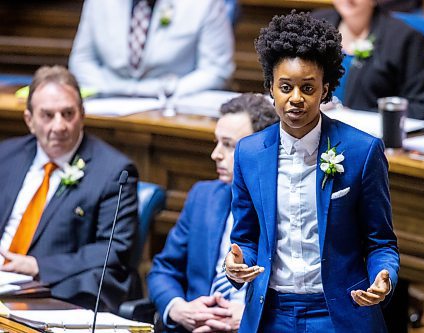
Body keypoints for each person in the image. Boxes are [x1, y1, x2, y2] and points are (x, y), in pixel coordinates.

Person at [224, 12, 400, 332]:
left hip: (339, 311)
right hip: (271, 311)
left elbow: (381, 242)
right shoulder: (248, 153)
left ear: (325, 89)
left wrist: (383, 277)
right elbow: (246, 238)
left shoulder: (362, 151)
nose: (296, 99)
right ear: (270, 88)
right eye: (285, 87)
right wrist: (236, 263)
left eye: (307, 88)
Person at [0, 65, 138, 312]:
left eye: (67, 113)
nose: (59, 126)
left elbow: (113, 249)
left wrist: (38, 265)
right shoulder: (6, 155)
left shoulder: (114, 171)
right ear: (29, 120)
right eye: (47, 115)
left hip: (51, 291)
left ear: (82, 115)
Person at [147, 93, 278, 332]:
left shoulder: (285, 207)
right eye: (217, 142)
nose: (215, 154)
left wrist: (251, 318)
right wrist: (178, 308)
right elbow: (164, 270)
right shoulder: (203, 196)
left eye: (228, 145)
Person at [69, 0, 234, 98]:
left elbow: (217, 70)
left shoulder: (205, 4)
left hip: (173, 106)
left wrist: (168, 90)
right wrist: (110, 88)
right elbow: (81, 60)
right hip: (108, 101)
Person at [312, 0, 424, 120]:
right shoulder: (314, 26)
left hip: (369, 136)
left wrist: (355, 116)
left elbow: (420, 107)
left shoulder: (405, 38)